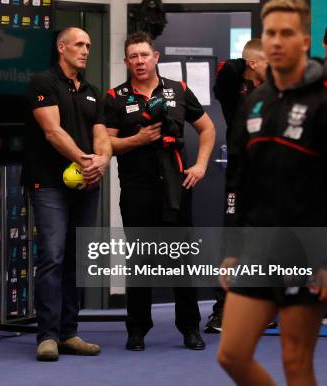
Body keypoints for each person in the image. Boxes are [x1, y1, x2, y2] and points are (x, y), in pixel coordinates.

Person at [217, 1, 327, 385]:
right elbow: (239, 181)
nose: (278, 42)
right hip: (258, 247)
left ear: (304, 41)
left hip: (306, 247)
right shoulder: (255, 101)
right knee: (231, 355)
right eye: (271, 34)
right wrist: (231, 248)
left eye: (287, 33)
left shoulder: (322, 99)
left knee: (296, 363)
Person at [105, 32, 215, 351]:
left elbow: (207, 128)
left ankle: (190, 328)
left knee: (181, 259)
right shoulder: (115, 96)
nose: (139, 61)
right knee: (140, 261)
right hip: (137, 189)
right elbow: (106, 143)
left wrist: (201, 165)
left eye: (144, 55)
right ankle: (137, 329)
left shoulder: (178, 90)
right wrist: (135, 141)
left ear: (156, 57)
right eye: (133, 57)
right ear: (126, 62)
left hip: (176, 187)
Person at [23, 26, 112, 361]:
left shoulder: (92, 91)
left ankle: (69, 333)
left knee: (76, 258)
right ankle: (47, 336)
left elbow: (101, 133)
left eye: (89, 44)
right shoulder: (43, 83)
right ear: (62, 47)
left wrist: (101, 161)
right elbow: (52, 131)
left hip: (86, 183)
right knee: (53, 257)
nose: (86, 50)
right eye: (79, 44)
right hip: (48, 184)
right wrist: (85, 159)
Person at [206, 38, 268, 333]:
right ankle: (222, 310)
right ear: (253, 64)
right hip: (239, 177)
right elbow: (228, 70)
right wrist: (248, 62)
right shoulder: (233, 85)